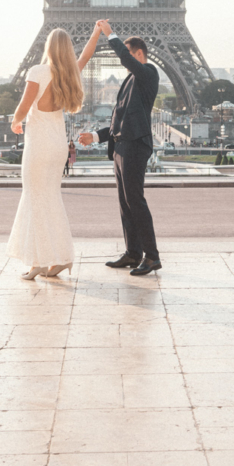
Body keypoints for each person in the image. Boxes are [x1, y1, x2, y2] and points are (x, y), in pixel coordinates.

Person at [7, 23, 104, 280]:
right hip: (57, 146)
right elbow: (85, 56)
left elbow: (24, 105)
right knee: (51, 199)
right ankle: (60, 258)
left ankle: (38, 261)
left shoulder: (38, 71)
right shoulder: (69, 73)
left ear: (48, 47)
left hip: (38, 145)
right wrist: (95, 32)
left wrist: (15, 121)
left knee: (33, 198)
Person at [77, 20, 162, 276]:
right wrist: (96, 135)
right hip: (122, 146)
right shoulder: (128, 82)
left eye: (128, 54)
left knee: (135, 200)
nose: (125, 60)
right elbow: (120, 118)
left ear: (138, 54)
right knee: (126, 203)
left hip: (136, 145)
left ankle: (152, 256)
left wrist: (110, 34)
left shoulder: (148, 74)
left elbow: (125, 60)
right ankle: (133, 252)